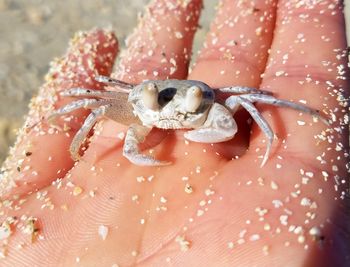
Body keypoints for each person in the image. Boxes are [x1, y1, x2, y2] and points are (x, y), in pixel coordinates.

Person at [0, 0, 349, 266]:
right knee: (93, 107)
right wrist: (74, 138)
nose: (175, 116)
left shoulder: (211, 103)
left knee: (251, 99)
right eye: (160, 103)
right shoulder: (135, 102)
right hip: (141, 108)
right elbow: (93, 103)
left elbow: (246, 103)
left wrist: (269, 134)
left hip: (196, 110)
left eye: (193, 101)